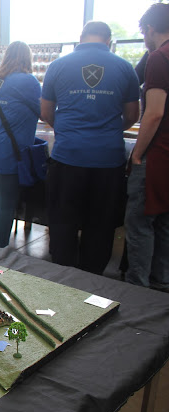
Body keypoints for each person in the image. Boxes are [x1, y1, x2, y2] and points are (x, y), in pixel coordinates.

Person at [41, 21, 140, 275]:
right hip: (108, 159)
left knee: (63, 222)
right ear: (109, 41)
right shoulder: (125, 68)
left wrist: (66, 131)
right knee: (101, 225)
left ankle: (61, 279)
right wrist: (109, 131)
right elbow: (132, 115)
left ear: (81, 38)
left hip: (67, 156)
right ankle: (92, 280)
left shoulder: (58, 66)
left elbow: (46, 111)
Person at [0, 41, 41, 248]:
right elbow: (44, 112)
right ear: (27, 58)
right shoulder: (28, 81)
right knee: (6, 202)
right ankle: (1, 252)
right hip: (9, 149)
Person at [125, 3, 169, 291]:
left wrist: (137, 154)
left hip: (157, 156)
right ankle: (161, 284)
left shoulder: (159, 58)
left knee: (140, 224)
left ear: (150, 29)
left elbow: (154, 113)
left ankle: (137, 291)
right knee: (164, 223)